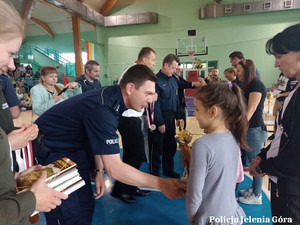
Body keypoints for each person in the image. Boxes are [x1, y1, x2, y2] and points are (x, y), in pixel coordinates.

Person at [35, 64, 186, 225]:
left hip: (76, 150)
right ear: (130, 88)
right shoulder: (104, 107)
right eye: (148, 93)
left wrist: (98, 171)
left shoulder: (114, 99)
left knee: (86, 207)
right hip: (52, 153)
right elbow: (115, 169)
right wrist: (161, 183)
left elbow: (97, 138)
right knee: (67, 214)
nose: (151, 100)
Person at [0, 1, 68, 224]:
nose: (12, 65)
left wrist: (16, 178)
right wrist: (30, 200)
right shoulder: (38, 90)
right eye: (10, 53)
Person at [249, 23, 300, 225]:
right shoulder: (293, 94)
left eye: (279, 57)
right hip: (282, 185)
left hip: (293, 192)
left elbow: (296, 157)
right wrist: (262, 156)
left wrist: (265, 166)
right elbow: (282, 137)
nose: (276, 64)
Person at [186, 81, 247, 225]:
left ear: (213, 111)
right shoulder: (234, 137)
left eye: (197, 109)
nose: (194, 114)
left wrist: (193, 219)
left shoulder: (201, 145)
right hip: (231, 213)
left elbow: (194, 195)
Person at [111, 47, 156, 203]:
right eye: (152, 60)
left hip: (134, 117)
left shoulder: (137, 71)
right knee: (136, 155)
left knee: (131, 155)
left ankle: (130, 186)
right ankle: (119, 189)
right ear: (144, 59)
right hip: (127, 118)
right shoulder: (132, 72)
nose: (153, 63)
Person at [236, 59, 268, 205]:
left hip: (254, 130)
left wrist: (240, 126)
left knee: (256, 163)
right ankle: (254, 188)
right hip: (249, 129)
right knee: (252, 161)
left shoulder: (256, 84)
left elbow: (251, 109)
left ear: (247, 70)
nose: (237, 73)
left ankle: (256, 196)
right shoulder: (246, 85)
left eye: (239, 70)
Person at [150, 54, 181, 178]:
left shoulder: (173, 80)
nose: (175, 71)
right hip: (160, 117)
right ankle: (154, 173)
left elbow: (176, 99)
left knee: (171, 145)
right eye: (173, 68)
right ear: (166, 65)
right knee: (157, 147)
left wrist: (178, 116)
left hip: (171, 117)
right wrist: (159, 122)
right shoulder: (156, 80)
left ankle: (168, 169)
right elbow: (154, 104)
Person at [174, 63, 201, 130]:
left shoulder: (179, 78)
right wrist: (193, 83)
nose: (179, 71)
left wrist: (199, 84)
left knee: (183, 122)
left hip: (182, 103)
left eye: (180, 69)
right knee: (177, 122)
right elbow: (181, 85)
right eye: (178, 69)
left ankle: (182, 134)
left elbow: (186, 84)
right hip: (176, 104)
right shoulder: (172, 78)